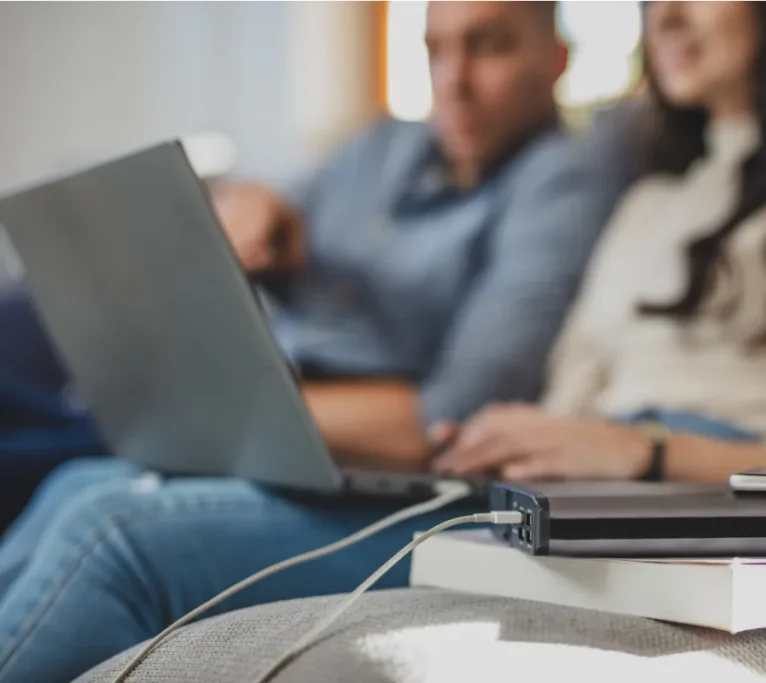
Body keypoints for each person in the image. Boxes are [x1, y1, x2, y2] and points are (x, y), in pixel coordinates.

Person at [0, 3, 629, 682]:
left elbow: (457, 413)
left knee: (107, 523)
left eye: (489, 49)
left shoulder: (562, 180)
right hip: (277, 431)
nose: (453, 80)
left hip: (403, 484)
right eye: (435, 51)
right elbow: (279, 209)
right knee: (77, 481)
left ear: (556, 58)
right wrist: (260, 211)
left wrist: (221, 412)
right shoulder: (383, 147)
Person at [434, 1, 766, 495]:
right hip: (594, 495)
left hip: (713, 501)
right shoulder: (649, 201)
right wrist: (513, 448)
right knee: (374, 524)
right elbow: (570, 405)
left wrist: (645, 453)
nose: (667, 16)